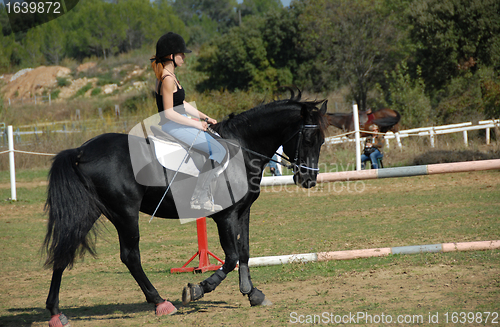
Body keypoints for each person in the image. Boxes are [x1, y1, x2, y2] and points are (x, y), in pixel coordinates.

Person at [150, 32, 226, 212]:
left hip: (179, 123)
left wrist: (204, 117)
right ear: (170, 56)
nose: (184, 57)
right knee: (218, 150)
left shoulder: (172, 77)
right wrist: (196, 124)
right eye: (181, 54)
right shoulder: (167, 80)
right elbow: (169, 113)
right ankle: (199, 198)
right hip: (172, 126)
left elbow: (181, 104)